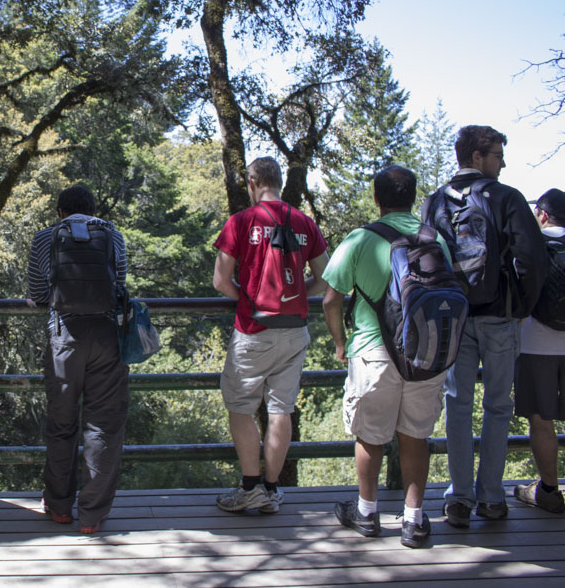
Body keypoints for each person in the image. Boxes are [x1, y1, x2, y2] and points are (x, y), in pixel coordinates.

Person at [421, 125, 547, 527]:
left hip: (451, 318)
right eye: (497, 154)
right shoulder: (506, 197)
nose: (503, 162)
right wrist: (521, 305)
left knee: (455, 406)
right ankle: (491, 498)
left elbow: (421, 260)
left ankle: (458, 499)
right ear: (476, 156)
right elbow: (532, 257)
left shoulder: (434, 202)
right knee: (498, 407)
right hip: (499, 316)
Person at [323, 166, 450, 548]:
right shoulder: (435, 239)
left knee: (369, 435)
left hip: (373, 351)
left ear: (376, 198)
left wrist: (340, 342)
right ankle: (413, 519)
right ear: (414, 197)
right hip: (425, 351)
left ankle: (366, 512)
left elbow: (331, 299)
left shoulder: (361, 239)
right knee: (415, 436)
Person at [212, 157, 328, 514]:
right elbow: (326, 279)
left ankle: (251, 488)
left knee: (240, 407)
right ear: (278, 182)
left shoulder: (241, 222)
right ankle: (273, 490)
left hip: (254, 329)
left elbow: (220, 281)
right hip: (295, 331)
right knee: (281, 410)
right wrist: (295, 298)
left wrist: (249, 300)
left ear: (251, 182)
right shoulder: (305, 223)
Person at [27, 186, 127, 534]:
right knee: (103, 425)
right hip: (106, 336)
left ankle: (58, 507)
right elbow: (121, 284)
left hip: (64, 338)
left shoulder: (45, 237)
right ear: (93, 209)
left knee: (61, 423)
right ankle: (92, 514)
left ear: (60, 212)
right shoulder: (112, 234)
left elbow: (37, 292)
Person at [513, 188, 565, 514]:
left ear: (542, 215)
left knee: (541, 420)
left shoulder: (533, 245)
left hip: (535, 344)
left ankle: (548, 491)